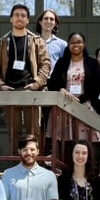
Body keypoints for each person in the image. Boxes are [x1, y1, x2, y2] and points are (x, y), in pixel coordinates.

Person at [0, 3, 51, 147]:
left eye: (23, 16)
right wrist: (1, 85)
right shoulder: (2, 42)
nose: (19, 18)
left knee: (33, 131)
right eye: (16, 15)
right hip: (10, 92)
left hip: (31, 92)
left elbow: (46, 64)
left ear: (28, 20)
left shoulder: (37, 41)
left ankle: (34, 166)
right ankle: (14, 165)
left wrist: (37, 83)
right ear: (11, 19)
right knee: (13, 133)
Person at [48, 31, 100, 143]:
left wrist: (80, 99)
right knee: (63, 144)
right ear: (68, 45)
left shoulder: (92, 63)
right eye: (72, 42)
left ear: (84, 44)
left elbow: (97, 86)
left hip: (85, 106)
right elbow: (52, 83)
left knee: (85, 143)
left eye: (79, 42)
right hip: (64, 106)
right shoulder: (62, 62)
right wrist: (61, 89)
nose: (76, 45)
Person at [37, 9, 66, 153]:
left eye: (52, 19)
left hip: (53, 86)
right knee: (37, 123)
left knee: (51, 122)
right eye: (46, 18)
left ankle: (49, 154)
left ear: (55, 23)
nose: (48, 21)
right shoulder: (33, 41)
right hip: (36, 85)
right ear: (40, 22)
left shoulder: (62, 44)